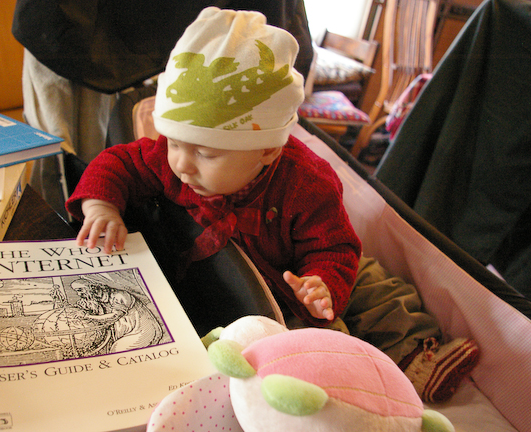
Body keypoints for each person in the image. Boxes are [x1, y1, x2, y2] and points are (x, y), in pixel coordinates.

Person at [66, 7, 478, 402]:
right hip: (235, 277)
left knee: (373, 289)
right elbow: (117, 163)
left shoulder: (308, 182)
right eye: (174, 143)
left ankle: (418, 354)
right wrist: (101, 206)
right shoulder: (168, 159)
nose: (181, 164)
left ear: (266, 150)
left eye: (205, 153)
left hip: (299, 271)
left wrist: (321, 283)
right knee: (279, 338)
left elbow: (334, 246)